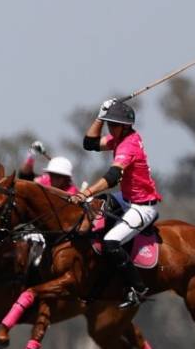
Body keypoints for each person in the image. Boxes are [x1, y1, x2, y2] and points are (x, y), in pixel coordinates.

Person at [69, 99, 162, 308]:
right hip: (126, 198)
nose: (111, 128)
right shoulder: (120, 137)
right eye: (109, 124)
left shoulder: (128, 145)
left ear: (126, 126)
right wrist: (100, 116)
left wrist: (86, 192)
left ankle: (138, 289)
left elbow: (112, 176)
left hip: (141, 207)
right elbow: (89, 143)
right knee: (96, 206)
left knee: (111, 242)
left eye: (114, 124)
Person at [0, 141, 79, 258]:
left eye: (58, 176)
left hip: (54, 233)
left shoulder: (72, 192)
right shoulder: (44, 181)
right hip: (31, 225)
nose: (53, 178)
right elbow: (25, 175)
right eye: (52, 174)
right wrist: (31, 155)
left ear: (66, 179)